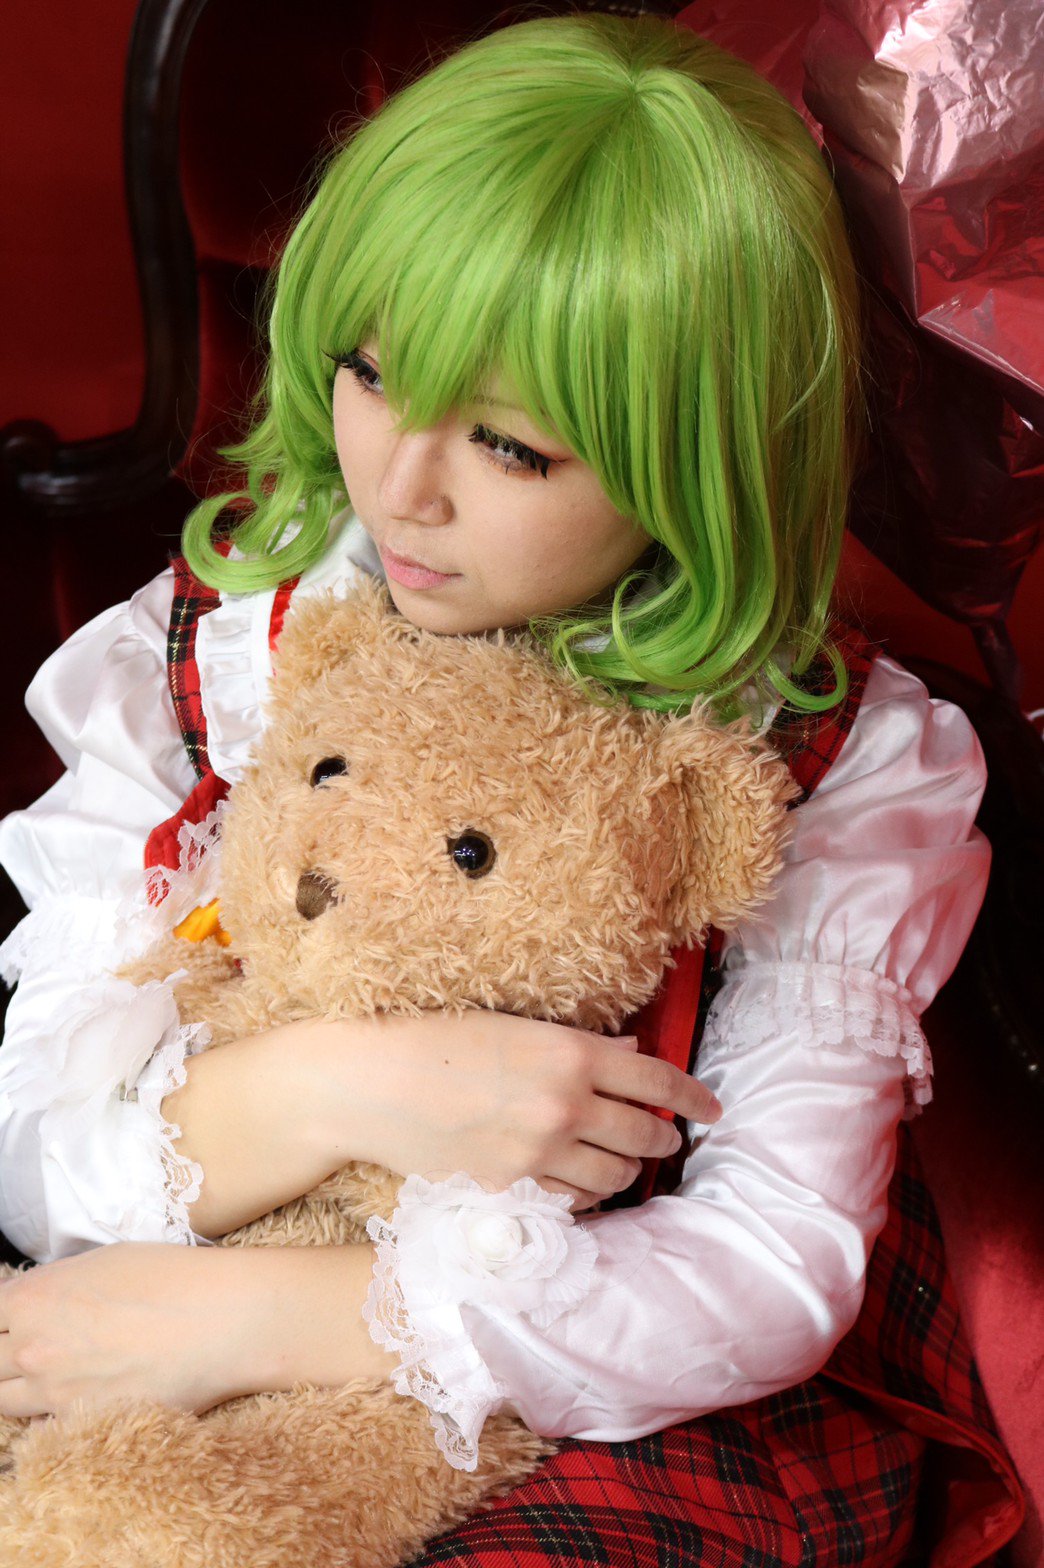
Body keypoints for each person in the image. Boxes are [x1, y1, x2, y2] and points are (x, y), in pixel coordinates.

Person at [0, 12, 1013, 1564]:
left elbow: (764, 1273)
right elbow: (39, 1148)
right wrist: (343, 1088)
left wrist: (261, 1317)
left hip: (622, 1384)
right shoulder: (218, 644)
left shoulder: (833, 754)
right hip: (163, 1277)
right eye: (369, 371)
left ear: (701, 458)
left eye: (514, 449)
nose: (400, 487)